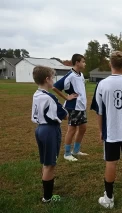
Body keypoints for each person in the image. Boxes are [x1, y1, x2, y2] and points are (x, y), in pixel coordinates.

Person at [95, 51, 122, 208]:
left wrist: (101, 131)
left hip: (111, 131)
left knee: (111, 162)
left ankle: (109, 198)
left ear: (110, 64)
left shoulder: (102, 84)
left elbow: (99, 112)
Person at [31, 66, 68, 203]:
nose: (53, 80)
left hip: (40, 129)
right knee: (50, 164)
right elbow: (64, 115)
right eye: (52, 77)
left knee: (46, 162)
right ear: (47, 79)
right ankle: (47, 197)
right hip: (50, 131)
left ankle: (48, 190)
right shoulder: (49, 97)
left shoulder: (36, 94)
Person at [53, 54, 88, 162]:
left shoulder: (80, 75)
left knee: (83, 128)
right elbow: (55, 87)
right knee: (72, 130)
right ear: (77, 63)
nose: (84, 63)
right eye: (83, 61)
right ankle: (67, 153)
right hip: (73, 107)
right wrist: (66, 97)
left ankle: (76, 151)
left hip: (81, 107)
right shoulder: (70, 75)